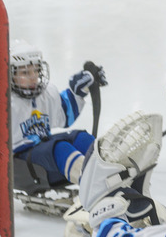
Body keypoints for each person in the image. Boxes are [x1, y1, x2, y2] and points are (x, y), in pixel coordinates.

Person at [10, 39, 107, 187]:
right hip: (19, 168)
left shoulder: (45, 94)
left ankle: (110, 173)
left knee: (81, 138)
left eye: (36, 70)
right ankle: (96, 186)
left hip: (43, 158)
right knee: (61, 148)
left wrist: (79, 91)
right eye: (25, 72)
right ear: (9, 74)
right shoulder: (2, 103)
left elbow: (63, 115)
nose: (33, 76)